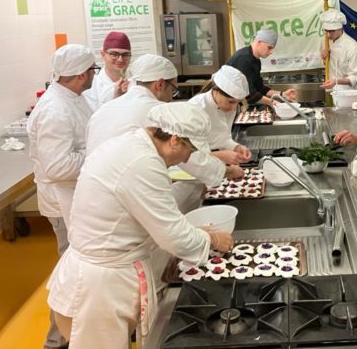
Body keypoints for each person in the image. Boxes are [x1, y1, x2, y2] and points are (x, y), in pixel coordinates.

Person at [47, 103, 234, 349]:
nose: (188, 158)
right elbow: (173, 237)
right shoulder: (143, 163)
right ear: (175, 140)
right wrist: (213, 240)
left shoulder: (131, 144)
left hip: (96, 276)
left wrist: (197, 233)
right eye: (190, 151)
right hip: (98, 291)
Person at [85, 54, 238, 211]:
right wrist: (228, 171)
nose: (171, 96)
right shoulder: (157, 113)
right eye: (173, 89)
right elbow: (193, 159)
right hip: (123, 200)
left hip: (90, 196)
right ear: (159, 84)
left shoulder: (104, 110)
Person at [27, 44, 96, 349]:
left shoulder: (73, 98)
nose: (94, 75)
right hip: (63, 202)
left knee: (78, 275)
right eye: (92, 70)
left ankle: (75, 336)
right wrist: (97, 154)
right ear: (81, 74)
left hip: (76, 197)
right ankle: (56, 342)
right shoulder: (54, 110)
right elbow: (58, 167)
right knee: (71, 278)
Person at [189, 65, 252, 165]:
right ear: (215, 90)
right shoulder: (196, 108)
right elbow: (187, 155)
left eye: (238, 102)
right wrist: (221, 156)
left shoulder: (227, 107)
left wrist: (236, 147)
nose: (233, 108)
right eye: (231, 102)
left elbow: (222, 137)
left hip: (214, 163)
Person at [226, 28, 297, 107]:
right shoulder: (243, 58)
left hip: (232, 104)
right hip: (224, 103)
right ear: (259, 42)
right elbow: (250, 94)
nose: (271, 52)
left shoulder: (256, 61)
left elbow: (259, 88)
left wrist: (282, 94)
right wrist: (272, 102)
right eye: (269, 47)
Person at [83, 31, 132, 111]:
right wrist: (116, 99)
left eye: (125, 55)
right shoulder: (91, 86)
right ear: (103, 55)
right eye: (114, 54)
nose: (120, 59)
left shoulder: (137, 81)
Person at [319, 9, 357, 91]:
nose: (328, 35)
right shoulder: (324, 41)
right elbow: (326, 66)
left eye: (332, 31)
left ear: (340, 28)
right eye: (326, 31)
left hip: (349, 91)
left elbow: (355, 77)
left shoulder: (351, 46)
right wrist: (323, 59)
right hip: (331, 89)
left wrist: (336, 81)